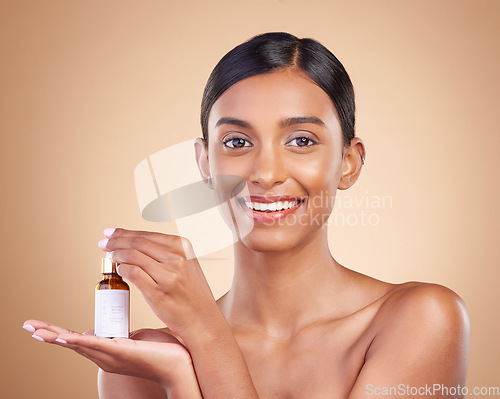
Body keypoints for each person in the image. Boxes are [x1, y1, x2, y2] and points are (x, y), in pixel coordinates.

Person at [23, 32, 470, 399]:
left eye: (301, 140)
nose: (266, 174)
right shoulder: (143, 365)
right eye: (237, 142)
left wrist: (204, 339)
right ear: (204, 164)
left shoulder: (421, 319)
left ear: (349, 163)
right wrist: (178, 372)